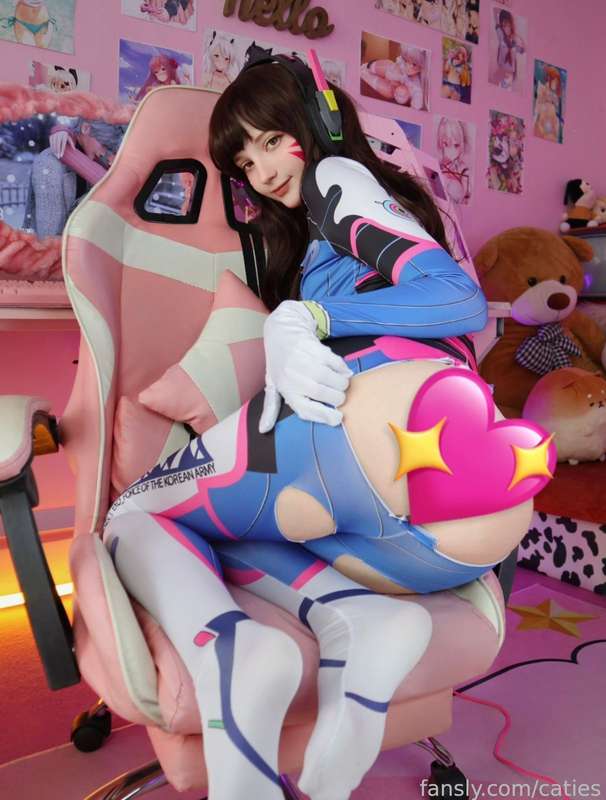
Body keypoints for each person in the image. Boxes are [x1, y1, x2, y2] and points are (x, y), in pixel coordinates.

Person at [103, 54, 555, 800]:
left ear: (318, 122)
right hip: (456, 537)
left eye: (268, 140)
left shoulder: (338, 178)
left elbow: (457, 300)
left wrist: (307, 315)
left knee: (132, 514)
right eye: (244, 162)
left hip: (374, 428)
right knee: (229, 528)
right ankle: (361, 620)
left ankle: (231, 652)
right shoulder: (322, 230)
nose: (262, 169)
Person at [494, 8, 525, 90]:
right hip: (503, 73)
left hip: (510, 75)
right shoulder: (501, 38)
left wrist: (519, 38)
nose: (507, 28)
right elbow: (496, 21)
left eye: (509, 26)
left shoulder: (513, 43)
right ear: (502, 27)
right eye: (504, 26)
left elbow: (522, 50)